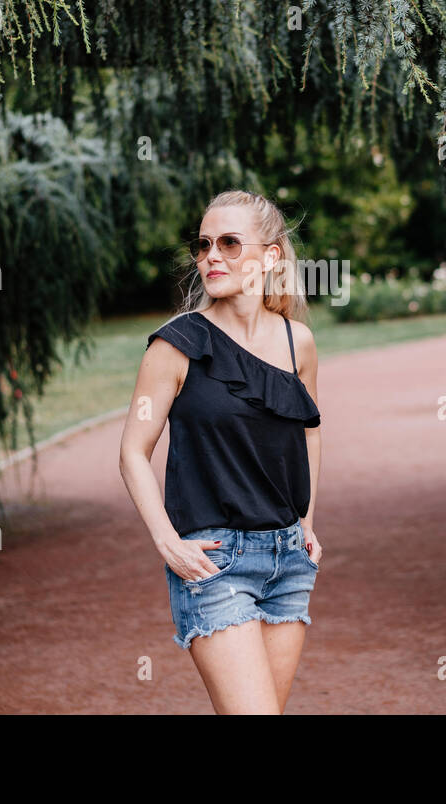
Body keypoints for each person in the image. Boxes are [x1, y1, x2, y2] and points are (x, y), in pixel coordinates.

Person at [118, 189, 323, 714]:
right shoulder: (175, 344)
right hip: (215, 563)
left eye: (230, 243)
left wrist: (307, 521)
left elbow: (309, 431)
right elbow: (133, 451)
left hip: (288, 563)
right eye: (204, 244)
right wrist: (168, 543)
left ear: (271, 256)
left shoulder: (297, 341)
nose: (211, 256)